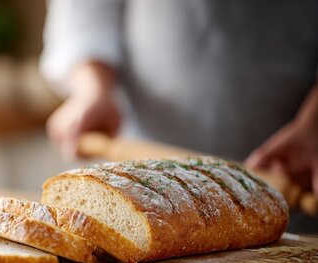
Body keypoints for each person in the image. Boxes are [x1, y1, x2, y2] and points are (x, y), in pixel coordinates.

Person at [41, 0, 318, 195]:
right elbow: (85, 18)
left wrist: (313, 124)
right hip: (140, 172)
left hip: (296, 167)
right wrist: (94, 89)